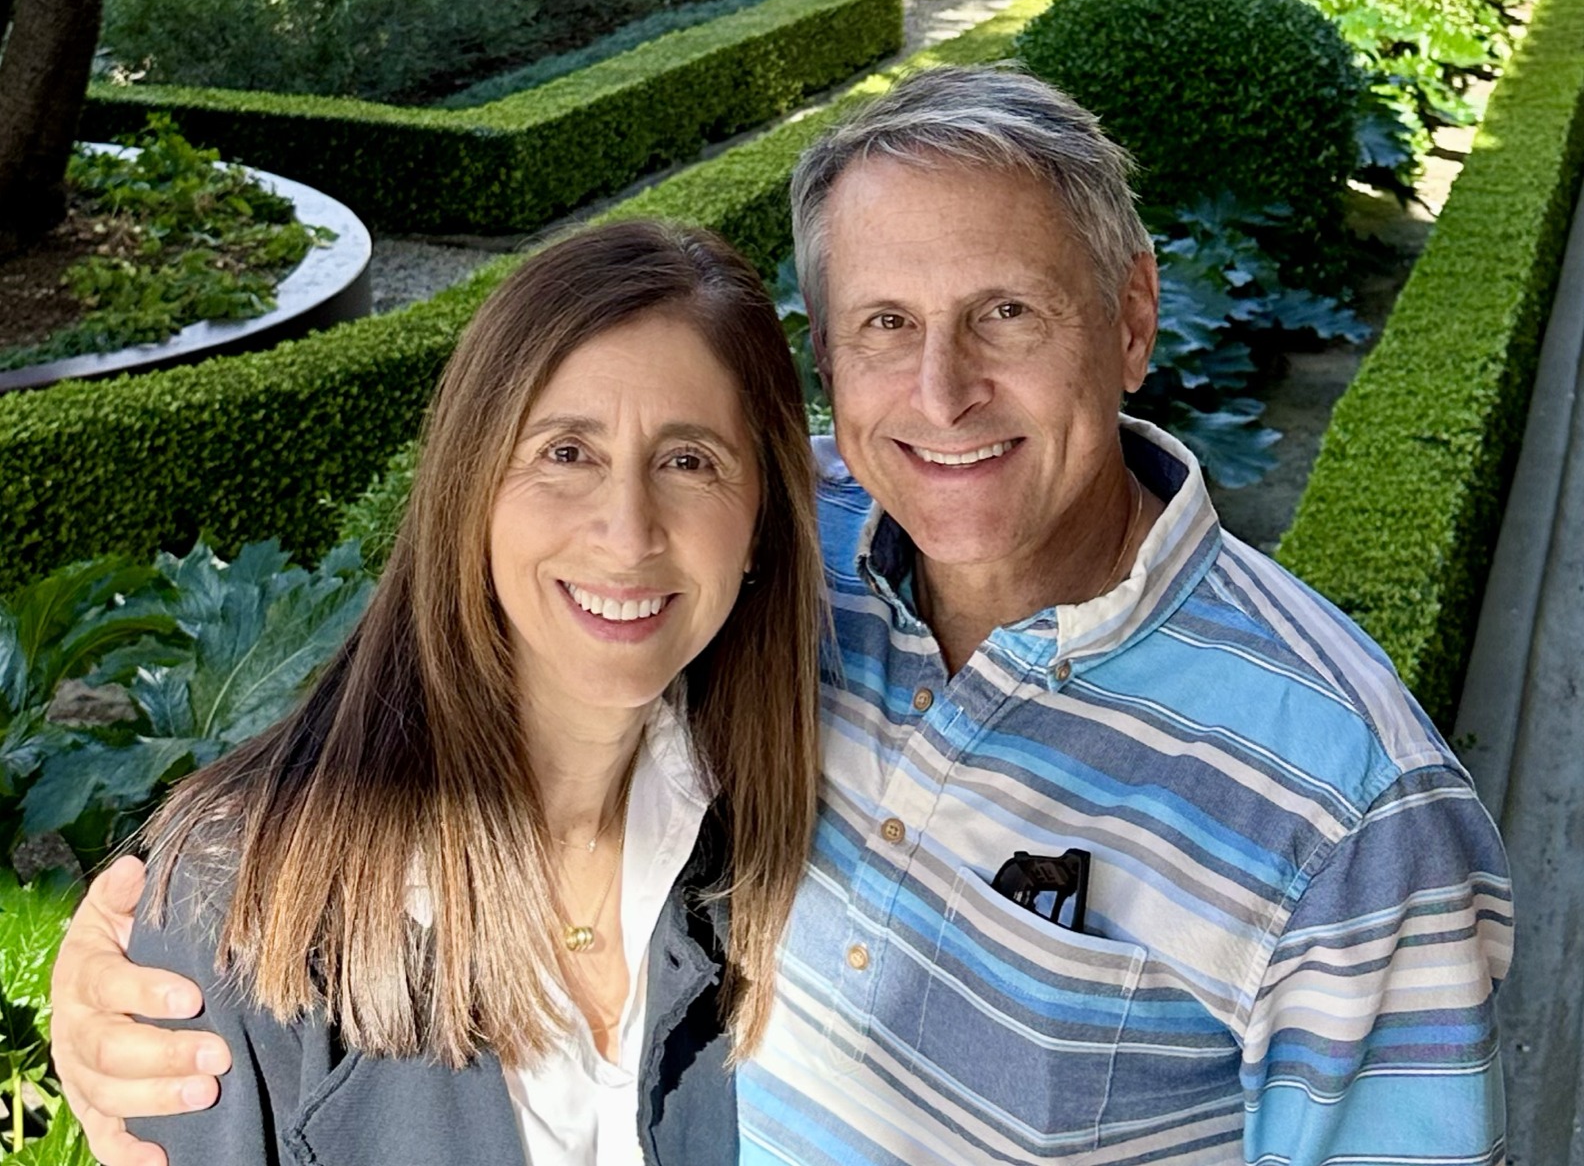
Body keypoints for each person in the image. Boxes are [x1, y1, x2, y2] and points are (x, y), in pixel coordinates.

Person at [51, 65, 1513, 1165]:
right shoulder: (778, 535)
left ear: (1131, 316)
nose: (941, 397)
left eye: (1008, 313)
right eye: (886, 326)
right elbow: (485, 601)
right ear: (827, 363)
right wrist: (158, 938)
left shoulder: (1352, 812)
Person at [63, 219, 826, 1166]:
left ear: (762, 525)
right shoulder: (244, 911)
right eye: (565, 452)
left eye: (688, 460)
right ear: (469, 487)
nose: (627, 535)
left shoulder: (778, 825)